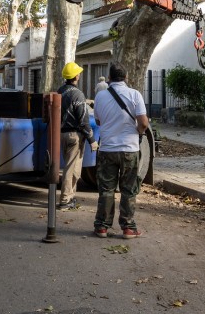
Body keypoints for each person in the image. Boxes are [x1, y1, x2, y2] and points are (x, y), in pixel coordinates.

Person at [92, 62, 149, 239]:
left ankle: (102, 227)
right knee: (129, 190)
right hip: (129, 149)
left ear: (109, 78)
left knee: (106, 189)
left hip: (107, 149)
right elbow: (144, 123)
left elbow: (99, 121)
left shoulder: (100, 96)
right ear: (126, 77)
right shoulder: (135, 95)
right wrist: (138, 132)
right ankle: (128, 228)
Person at [57, 61, 94, 210]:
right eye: (78, 73)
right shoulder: (77, 94)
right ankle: (65, 200)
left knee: (74, 169)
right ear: (76, 76)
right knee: (70, 169)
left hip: (63, 134)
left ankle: (71, 197)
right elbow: (83, 119)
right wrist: (92, 139)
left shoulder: (60, 91)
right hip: (74, 136)